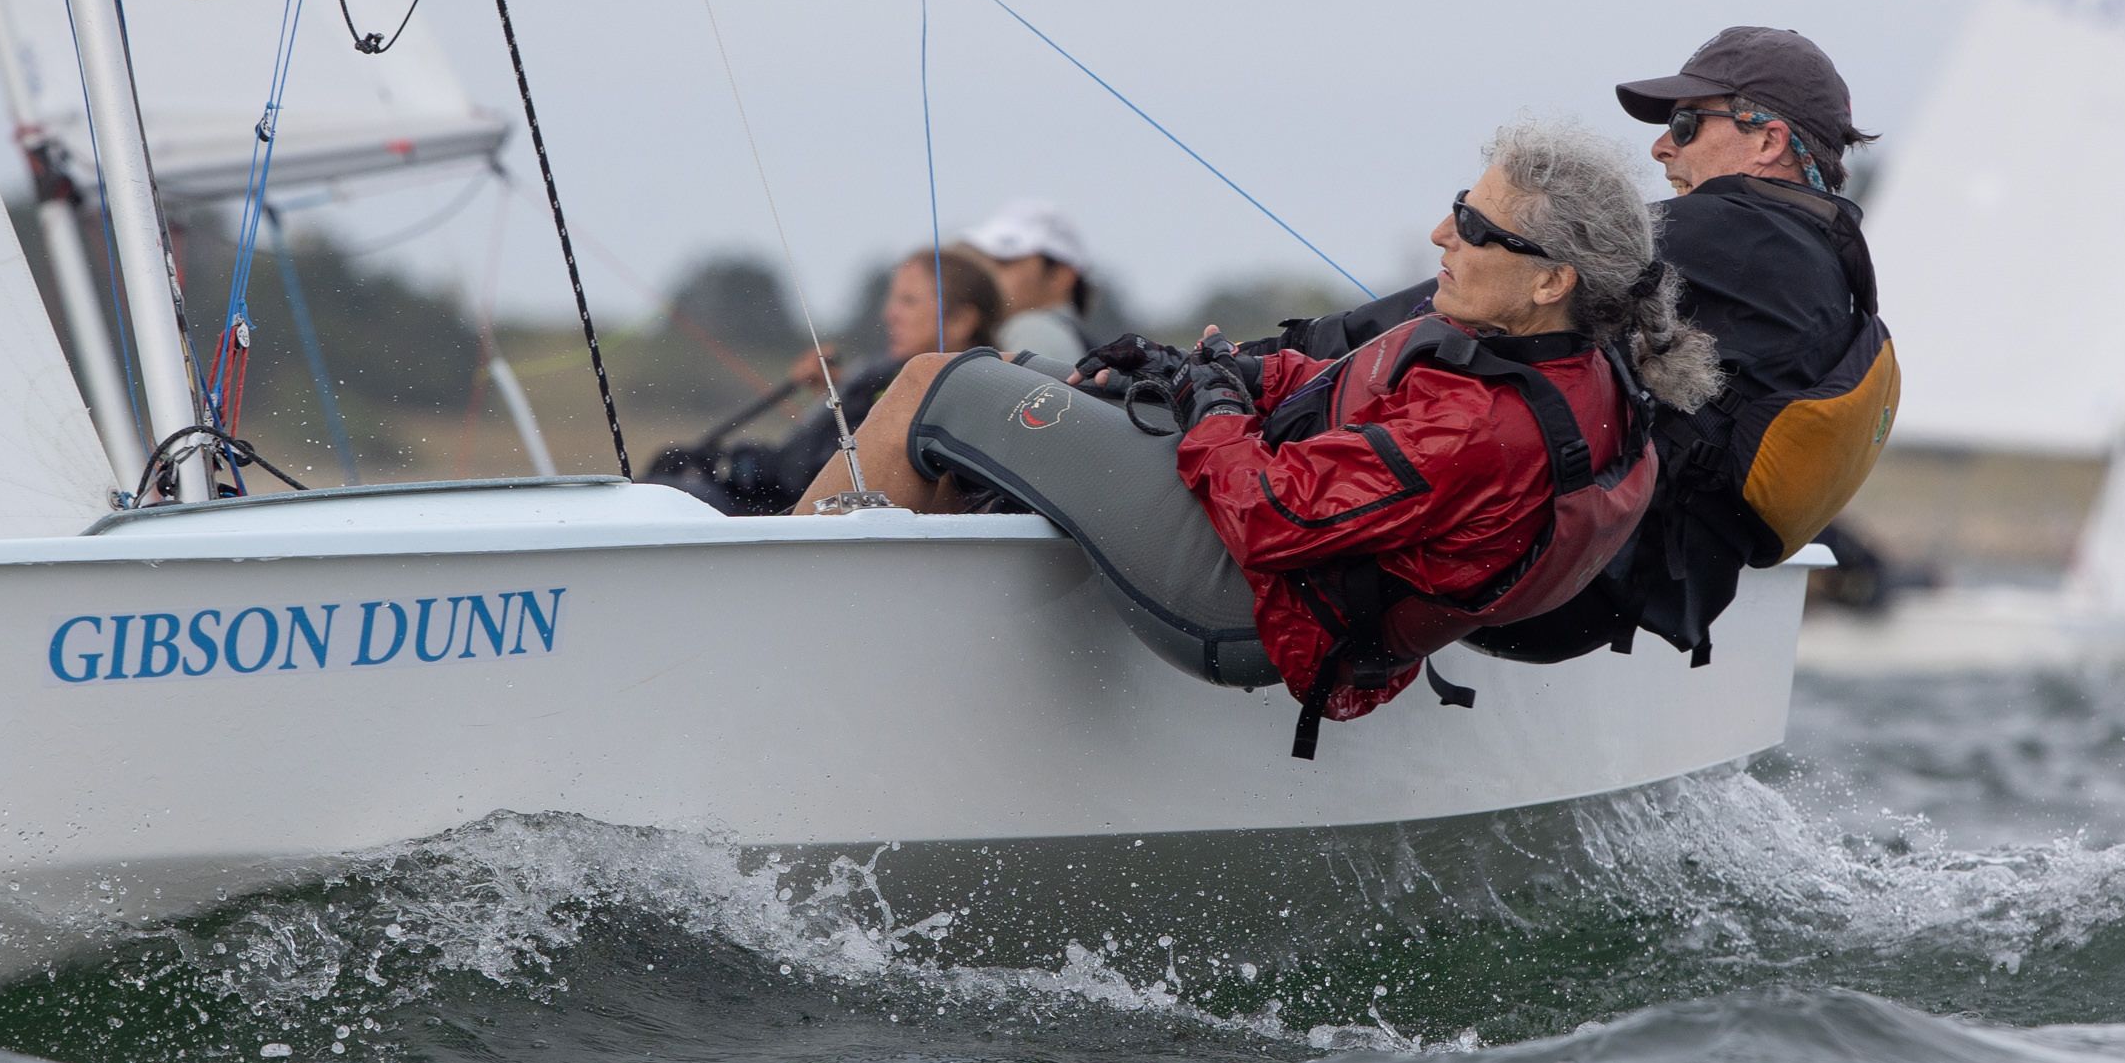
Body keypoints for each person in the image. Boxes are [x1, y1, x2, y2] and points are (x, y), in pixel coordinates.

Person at [795, 123, 1722, 756]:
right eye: (1458, 204)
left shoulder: (1485, 425)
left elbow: (1272, 513)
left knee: (935, 386)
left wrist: (1211, 409)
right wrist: (1214, 372)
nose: (1443, 232)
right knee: (1022, 377)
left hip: (1247, 601)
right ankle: (890, 680)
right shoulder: (1562, 359)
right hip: (1284, 570)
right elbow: (1335, 392)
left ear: (1553, 281)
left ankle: (788, 653)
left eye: (1476, 227)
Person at [1262, 26, 1895, 662]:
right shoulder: (1827, 263)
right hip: (1625, 591)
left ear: (1768, 141)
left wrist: (1276, 353)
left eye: (1685, 125)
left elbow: (1489, 278)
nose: (1660, 147)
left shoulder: (1739, 232)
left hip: (1556, 583)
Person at [650, 247, 1005, 515]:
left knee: (667, 500)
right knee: (663, 485)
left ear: (961, 321)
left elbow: (814, 473)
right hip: (777, 504)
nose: (890, 314)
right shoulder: (875, 376)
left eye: (908, 302)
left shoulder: (970, 395)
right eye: (892, 300)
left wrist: (739, 467)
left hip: (799, 521)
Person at [958, 199, 1095, 361]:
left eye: (1005, 262)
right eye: (987, 260)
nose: (988, 271)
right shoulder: (1069, 335)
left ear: (1060, 276)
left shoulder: (1032, 330)